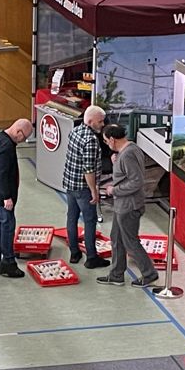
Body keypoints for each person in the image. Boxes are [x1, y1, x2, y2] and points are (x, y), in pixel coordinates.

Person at [102, 124, 161, 289]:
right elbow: (125, 173)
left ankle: (149, 273)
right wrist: (116, 161)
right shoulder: (131, 149)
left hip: (129, 206)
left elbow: (136, 181)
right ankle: (116, 274)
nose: (107, 144)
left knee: (130, 242)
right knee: (116, 238)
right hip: (123, 205)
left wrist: (114, 190)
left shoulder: (127, 155)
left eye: (107, 141)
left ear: (113, 139)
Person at [0, 115, 32, 278]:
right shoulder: (7, 146)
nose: (22, 141)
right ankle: (8, 263)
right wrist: (7, 197)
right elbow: (1, 174)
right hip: (2, 198)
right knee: (7, 229)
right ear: (18, 131)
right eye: (24, 137)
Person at [62, 105, 108, 269]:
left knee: (71, 217)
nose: (103, 125)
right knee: (90, 221)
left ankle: (74, 252)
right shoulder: (91, 141)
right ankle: (92, 257)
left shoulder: (75, 131)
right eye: (100, 121)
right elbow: (88, 170)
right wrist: (94, 191)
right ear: (90, 121)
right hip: (83, 188)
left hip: (69, 183)